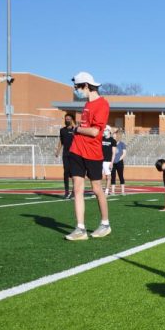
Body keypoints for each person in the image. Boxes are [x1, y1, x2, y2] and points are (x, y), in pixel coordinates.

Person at [65, 72, 111, 240]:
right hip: (76, 150)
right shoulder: (86, 105)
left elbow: (94, 131)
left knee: (97, 189)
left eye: (77, 87)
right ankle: (80, 229)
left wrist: (76, 129)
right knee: (77, 189)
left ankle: (105, 224)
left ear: (86, 85)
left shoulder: (102, 104)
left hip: (93, 153)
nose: (76, 91)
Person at [55, 113, 76, 199]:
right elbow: (61, 141)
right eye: (66, 119)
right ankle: (66, 191)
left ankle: (74, 191)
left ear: (72, 120)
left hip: (74, 154)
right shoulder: (62, 130)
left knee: (74, 174)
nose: (67, 120)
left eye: (69, 119)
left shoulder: (75, 130)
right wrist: (58, 151)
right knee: (66, 172)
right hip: (66, 154)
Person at [110, 129, 127, 196]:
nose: (114, 137)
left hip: (119, 162)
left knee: (121, 176)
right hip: (112, 162)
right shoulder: (111, 144)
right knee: (112, 176)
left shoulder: (122, 144)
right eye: (113, 136)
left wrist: (118, 159)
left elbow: (124, 153)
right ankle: (113, 191)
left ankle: (123, 191)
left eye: (115, 136)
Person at [101, 127, 117, 195]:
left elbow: (114, 153)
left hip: (108, 161)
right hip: (100, 160)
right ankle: (99, 190)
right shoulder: (101, 139)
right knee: (99, 176)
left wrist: (112, 162)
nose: (104, 131)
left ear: (109, 131)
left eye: (106, 130)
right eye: (104, 130)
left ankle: (107, 190)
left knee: (108, 176)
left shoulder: (113, 140)